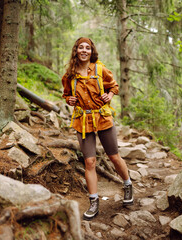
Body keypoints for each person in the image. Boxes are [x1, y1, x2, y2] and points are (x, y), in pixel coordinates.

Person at [62, 37, 133, 220]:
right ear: (76, 50)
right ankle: (94, 202)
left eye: (87, 48)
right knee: (90, 162)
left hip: (102, 117)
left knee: (114, 156)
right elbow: (67, 94)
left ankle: (127, 185)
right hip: (82, 120)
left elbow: (114, 86)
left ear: (91, 51)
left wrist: (110, 94)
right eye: (80, 47)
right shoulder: (70, 74)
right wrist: (69, 100)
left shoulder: (100, 69)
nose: (84, 50)